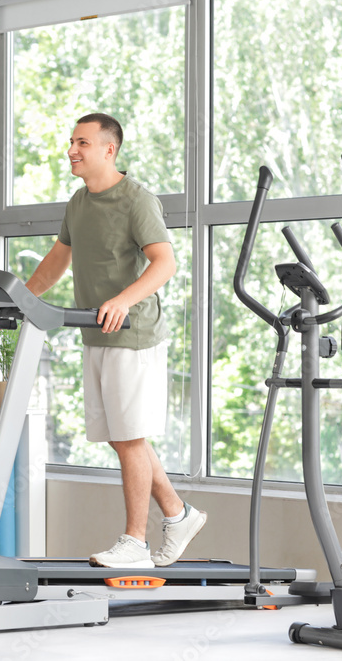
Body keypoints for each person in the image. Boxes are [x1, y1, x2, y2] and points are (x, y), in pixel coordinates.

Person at [24, 113, 206, 569]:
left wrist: (124, 301)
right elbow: (56, 261)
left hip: (135, 334)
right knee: (124, 439)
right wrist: (20, 301)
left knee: (128, 438)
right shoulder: (78, 202)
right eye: (71, 142)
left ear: (109, 149)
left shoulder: (136, 199)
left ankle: (136, 542)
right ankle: (179, 515)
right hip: (95, 333)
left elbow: (165, 264)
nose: (71, 150)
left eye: (82, 143)